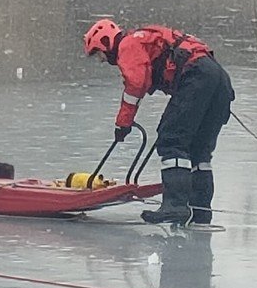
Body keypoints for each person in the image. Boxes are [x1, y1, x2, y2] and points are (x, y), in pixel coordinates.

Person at [83, 19, 234, 226]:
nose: (101, 60)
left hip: (196, 76)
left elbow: (136, 83)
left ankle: (175, 206)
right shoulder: (143, 38)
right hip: (217, 78)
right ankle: (200, 214)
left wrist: (123, 123)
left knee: (171, 140)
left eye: (99, 54)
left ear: (106, 43)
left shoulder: (127, 45)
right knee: (199, 151)